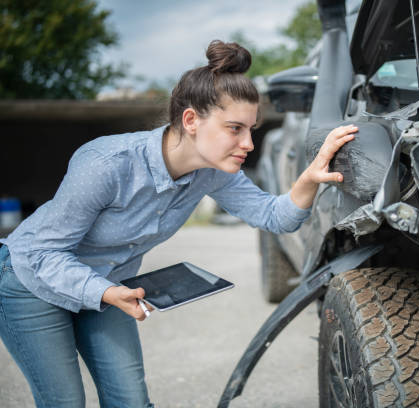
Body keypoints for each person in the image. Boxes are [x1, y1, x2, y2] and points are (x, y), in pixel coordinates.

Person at [0, 40, 357, 408]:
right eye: (235, 128)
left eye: (251, 129)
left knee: (131, 402)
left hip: (109, 287)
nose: (248, 143)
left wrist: (310, 178)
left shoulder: (213, 172)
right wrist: (106, 292)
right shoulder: (107, 163)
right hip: (32, 281)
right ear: (191, 121)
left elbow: (274, 217)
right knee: (65, 403)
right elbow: (45, 252)